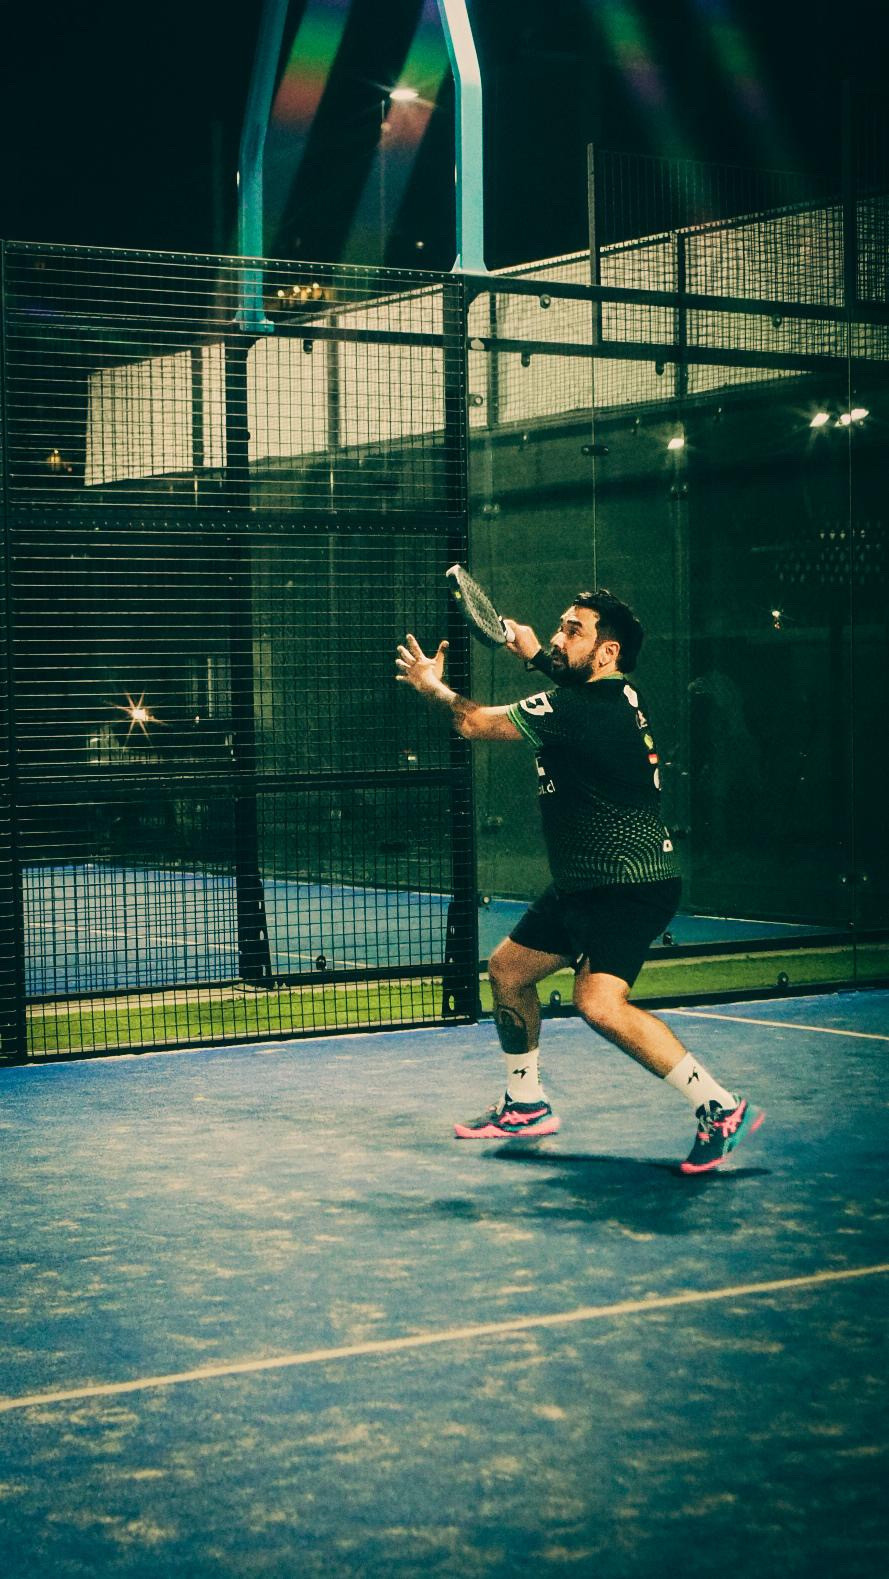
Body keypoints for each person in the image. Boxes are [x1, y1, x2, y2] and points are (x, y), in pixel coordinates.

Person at [396, 588, 764, 1174]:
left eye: (573, 631)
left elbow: (473, 722)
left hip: (627, 885)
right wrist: (533, 652)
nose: (558, 636)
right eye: (561, 626)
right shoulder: (616, 694)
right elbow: (571, 678)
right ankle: (526, 1104)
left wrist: (431, 686)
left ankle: (718, 1106)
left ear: (607, 650)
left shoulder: (579, 709)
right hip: (583, 884)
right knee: (509, 971)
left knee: (599, 1003)